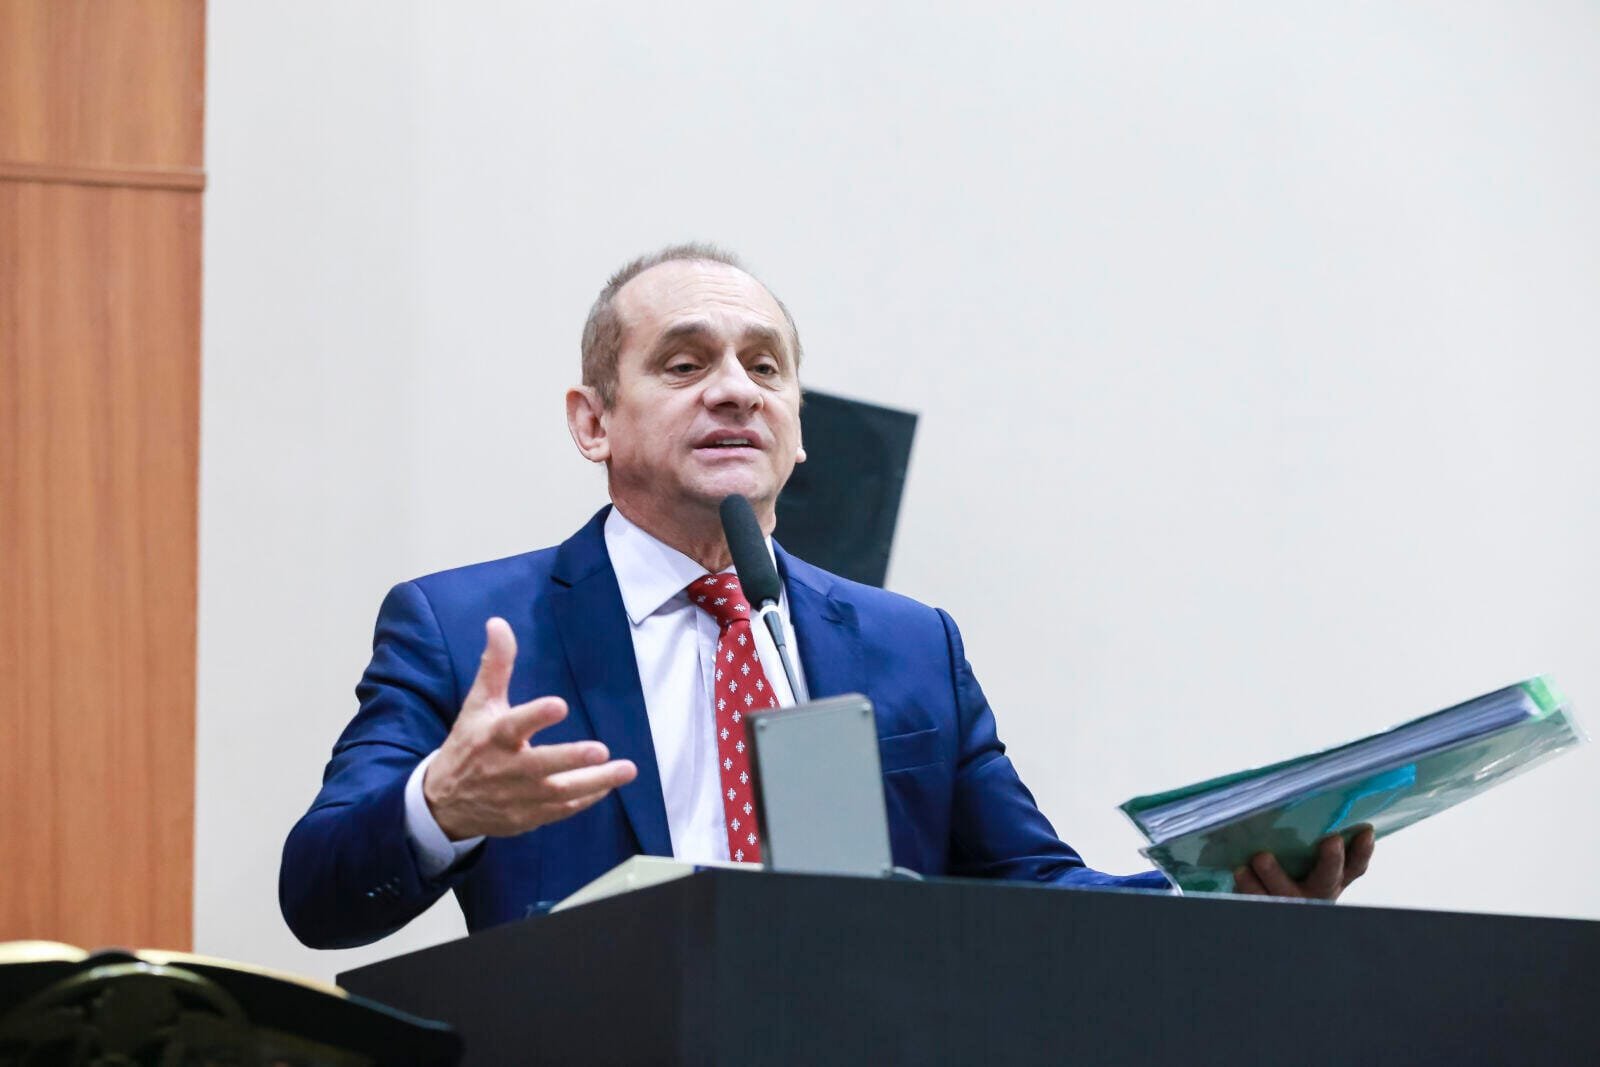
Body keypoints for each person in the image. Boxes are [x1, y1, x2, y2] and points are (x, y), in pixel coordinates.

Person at [280, 244, 1374, 949]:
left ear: (797, 431)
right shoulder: (465, 627)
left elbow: (1031, 886)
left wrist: (1221, 896)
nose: (735, 390)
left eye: (766, 367)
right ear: (593, 421)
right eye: (684, 364)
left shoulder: (909, 643)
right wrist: (441, 804)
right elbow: (318, 894)